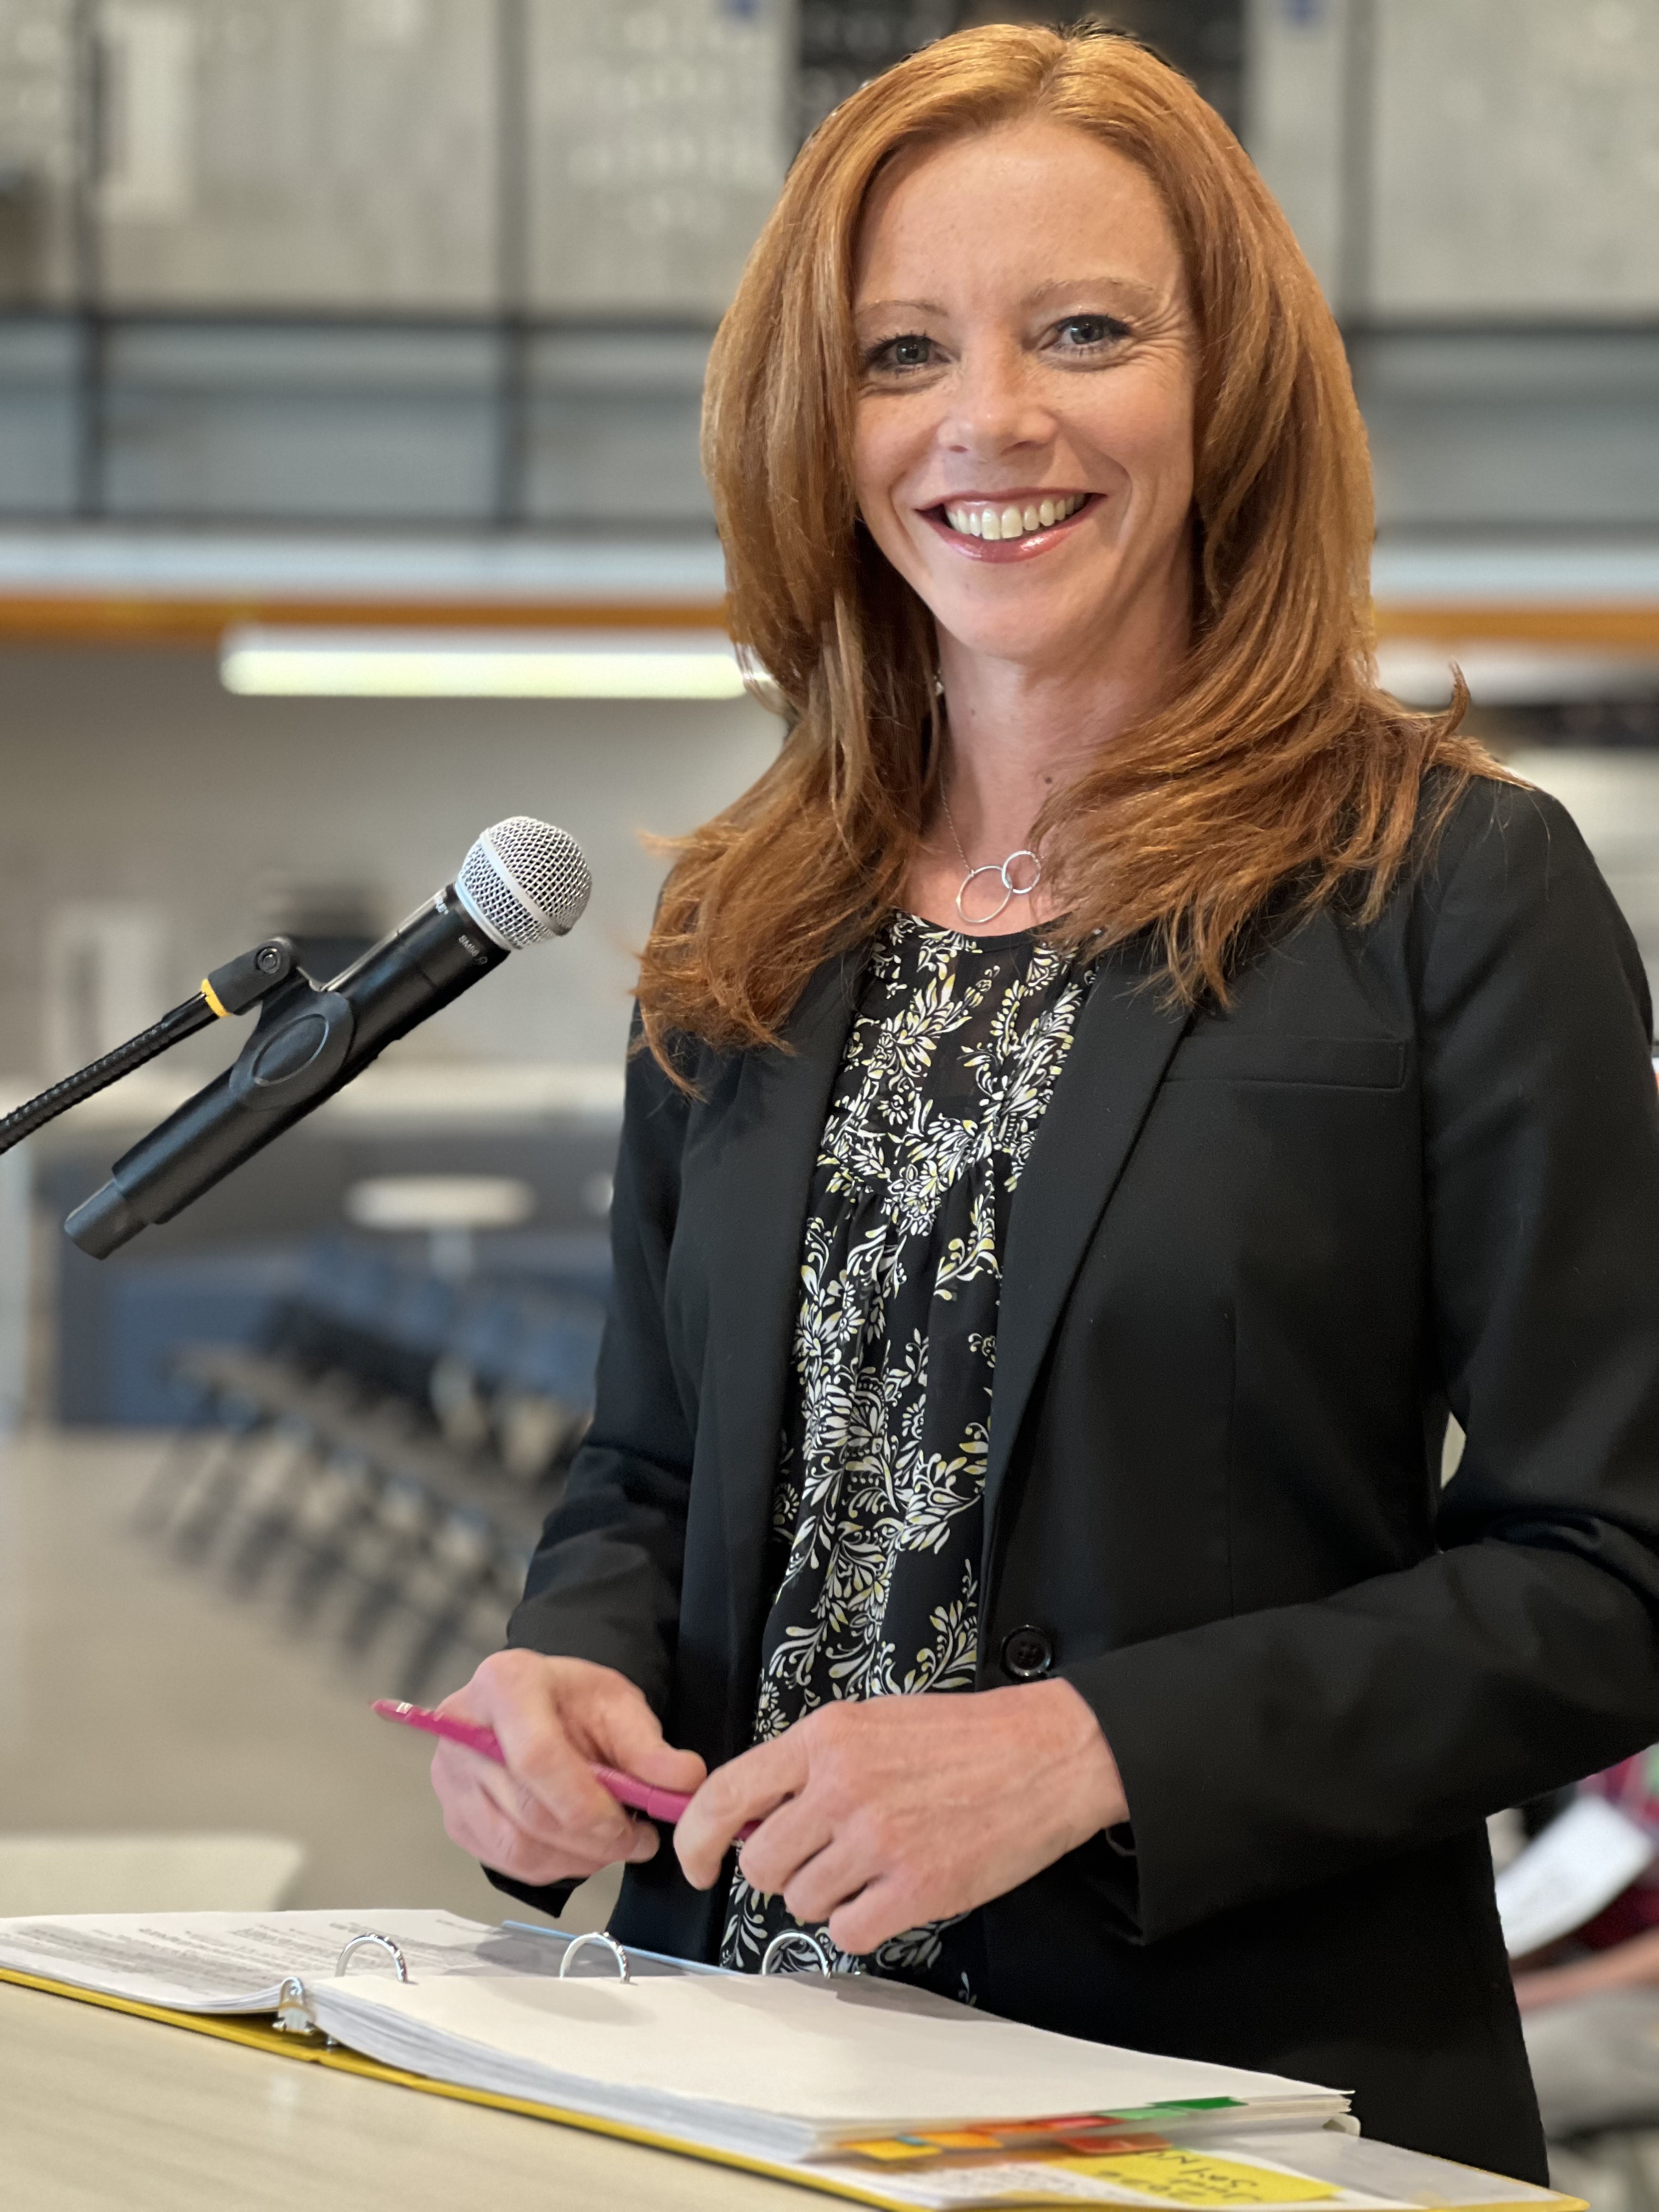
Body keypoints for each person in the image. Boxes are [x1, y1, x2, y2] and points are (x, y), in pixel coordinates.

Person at [427, 22, 1659, 2181]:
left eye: (1083, 331)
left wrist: (1099, 1748)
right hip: (717, 2082)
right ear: (825, 421)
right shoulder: (749, 912)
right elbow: (642, 1467)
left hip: (1215, 2105)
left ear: (1228, 383)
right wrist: (562, 1681)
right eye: (903, 351)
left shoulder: (1447, 891)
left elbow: (1614, 1569)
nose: (988, 420)